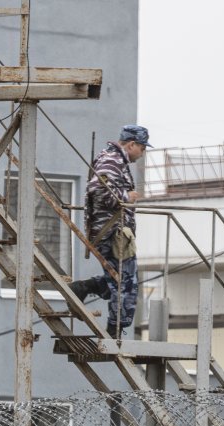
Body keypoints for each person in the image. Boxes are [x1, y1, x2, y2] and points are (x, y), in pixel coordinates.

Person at [69, 125, 152, 338]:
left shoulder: (114, 160)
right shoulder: (112, 160)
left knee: (121, 281)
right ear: (132, 144)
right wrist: (127, 197)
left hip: (113, 232)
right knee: (127, 284)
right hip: (111, 233)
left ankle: (84, 288)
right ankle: (114, 330)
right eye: (142, 148)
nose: (142, 154)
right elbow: (97, 190)